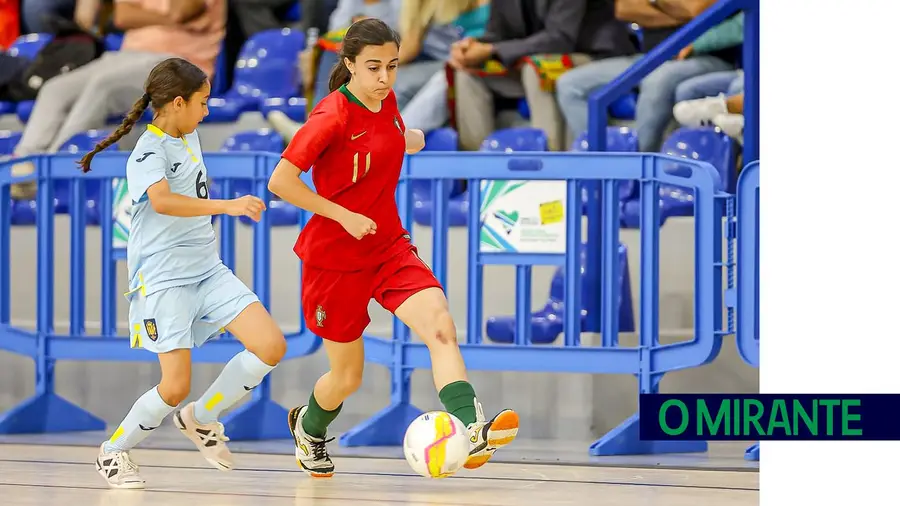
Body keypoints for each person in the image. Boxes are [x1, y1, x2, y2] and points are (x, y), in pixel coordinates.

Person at [267, 18, 519, 478]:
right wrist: (342, 214)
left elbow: (384, 138)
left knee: (440, 325)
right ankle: (309, 427)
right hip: (334, 260)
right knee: (347, 378)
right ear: (349, 65)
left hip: (387, 247)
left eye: (393, 66)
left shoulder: (388, 102)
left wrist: (410, 140)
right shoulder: (330, 115)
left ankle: (473, 427)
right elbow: (280, 182)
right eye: (373, 67)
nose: (384, 78)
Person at [80, 58, 287, 489]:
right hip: (163, 281)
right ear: (178, 102)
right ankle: (113, 451)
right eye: (203, 102)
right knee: (173, 386)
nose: (207, 111)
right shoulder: (148, 150)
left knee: (270, 345)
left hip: (207, 269)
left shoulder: (187, 134)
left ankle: (202, 417)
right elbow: (163, 202)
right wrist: (228, 206)